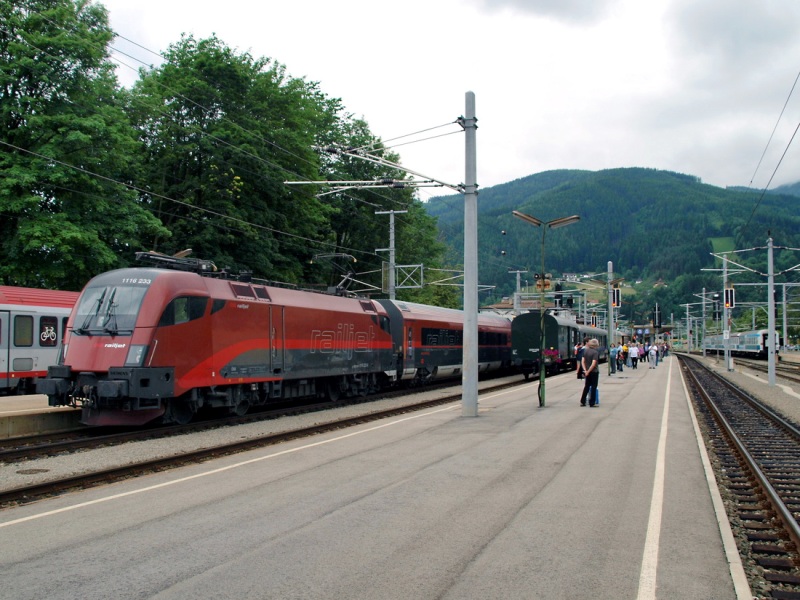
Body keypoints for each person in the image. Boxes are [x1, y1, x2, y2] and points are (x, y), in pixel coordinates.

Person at [579, 338, 600, 407]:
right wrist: (588, 371)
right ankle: (592, 402)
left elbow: (582, 361)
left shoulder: (585, 351)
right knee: (594, 386)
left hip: (587, 371)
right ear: (596, 345)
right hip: (594, 371)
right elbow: (594, 364)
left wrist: (585, 370)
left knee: (586, 386)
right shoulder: (595, 352)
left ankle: (582, 401)